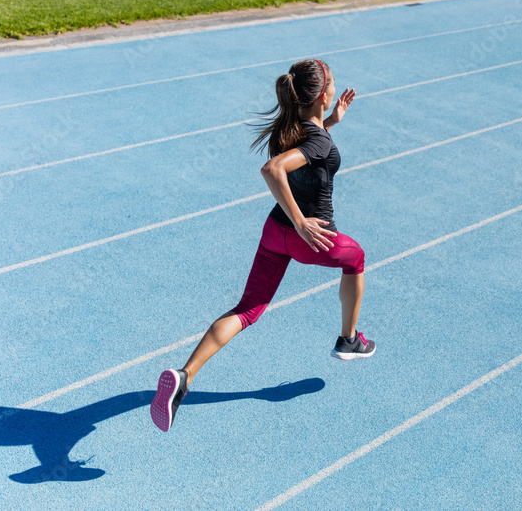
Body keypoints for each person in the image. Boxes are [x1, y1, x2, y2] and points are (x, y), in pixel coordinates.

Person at [150, 58, 374, 433]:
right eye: (332, 81)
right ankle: (349, 339)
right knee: (357, 259)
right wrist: (302, 222)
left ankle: (184, 376)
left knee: (248, 309)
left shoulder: (293, 127)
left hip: (275, 233)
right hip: (311, 240)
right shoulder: (314, 139)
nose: (335, 85)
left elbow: (308, 151)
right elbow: (274, 169)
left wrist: (331, 121)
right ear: (323, 93)